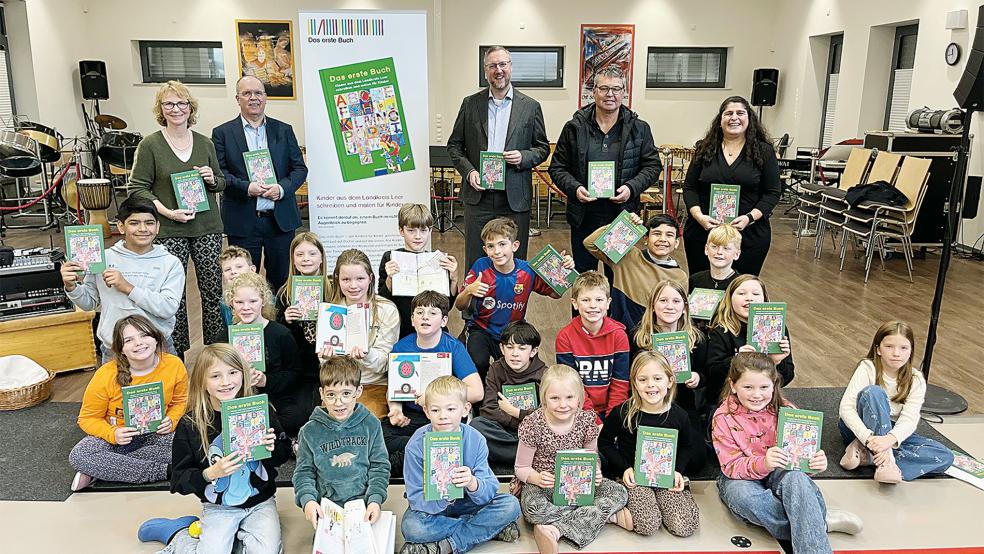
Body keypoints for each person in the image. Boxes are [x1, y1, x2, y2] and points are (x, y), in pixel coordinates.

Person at [136, 343, 291, 553]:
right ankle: (180, 534)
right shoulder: (191, 424)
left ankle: (233, 540)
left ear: (243, 374)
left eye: (233, 372)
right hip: (219, 507)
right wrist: (210, 473)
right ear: (202, 382)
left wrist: (272, 448)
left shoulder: (260, 412)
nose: (226, 382)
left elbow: (283, 454)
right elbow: (178, 479)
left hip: (260, 503)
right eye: (215, 376)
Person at [712, 352, 862, 553]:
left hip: (782, 471)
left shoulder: (788, 410)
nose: (757, 394)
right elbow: (731, 466)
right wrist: (763, 463)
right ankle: (816, 520)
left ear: (774, 384)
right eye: (748, 387)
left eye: (764, 387)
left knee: (797, 480)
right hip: (739, 476)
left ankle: (811, 529)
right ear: (733, 385)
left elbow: (800, 464)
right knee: (742, 497)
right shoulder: (723, 417)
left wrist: (814, 462)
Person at [129, 80, 227, 356]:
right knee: (175, 296)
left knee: (212, 291)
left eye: (181, 103)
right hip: (170, 228)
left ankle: (216, 351)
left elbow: (220, 183)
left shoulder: (205, 143)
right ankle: (177, 354)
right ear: (161, 109)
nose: (176, 109)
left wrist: (210, 178)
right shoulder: (150, 145)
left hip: (206, 227)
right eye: (169, 104)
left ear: (190, 107)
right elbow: (137, 187)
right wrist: (166, 211)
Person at [549, 66, 662, 279]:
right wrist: (576, 188)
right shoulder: (574, 127)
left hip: (622, 216)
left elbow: (652, 166)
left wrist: (631, 188)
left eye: (616, 89)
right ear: (594, 91)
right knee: (584, 277)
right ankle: (583, 314)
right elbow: (557, 167)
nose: (610, 94)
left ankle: (615, 315)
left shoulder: (640, 128)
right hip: (583, 216)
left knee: (619, 278)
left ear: (624, 93)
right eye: (604, 88)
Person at [446, 45, 550, 268]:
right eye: (492, 65)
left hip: (514, 198)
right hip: (479, 196)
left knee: (515, 262)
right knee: (477, 260)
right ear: (485, 71)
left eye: (503, 64)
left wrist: (523, 156)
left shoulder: (530, 107)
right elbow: (454, 146)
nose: (498, 70)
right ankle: (477, 304)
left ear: (511, 67)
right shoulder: (470, 104)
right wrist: (469, 172)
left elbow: (542, 148)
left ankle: (513, 303)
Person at [400, 376, 522, 554]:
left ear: (465, 409)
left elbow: (489, 488)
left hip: (468, 502)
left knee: (511, 505)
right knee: (412, 527)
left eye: (451, 409)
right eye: (435, 410)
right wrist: (442, 496)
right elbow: (415, 496)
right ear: (426, 411)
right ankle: (485, 528)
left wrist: (473, 483)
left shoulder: (476, 439)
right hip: (433, 508)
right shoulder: (416, 444)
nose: (443, 416)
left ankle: (449, 544)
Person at [515, 365, 630, 553]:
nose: (563, 404)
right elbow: (521, 467)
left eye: (569, 397)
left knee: (619, 492)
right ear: (544, 398)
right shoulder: (533, 424)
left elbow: (592, 456)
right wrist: (537, 478)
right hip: (544, 486)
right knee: (533, 508)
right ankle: (605, 515)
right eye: (554, 398)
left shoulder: (586, 421)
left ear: (579, 399)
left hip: (579, 484)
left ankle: (554, 529)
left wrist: (596, 472)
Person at [212, 76, 308, 294]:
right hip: (243, 220)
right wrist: (247, 187)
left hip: (279, 220)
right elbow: (221, 173)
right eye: (246, 93)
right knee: (243, 282)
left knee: (281, 280)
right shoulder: (223, 133)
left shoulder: (283, 130)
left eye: (258, 93)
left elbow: (299, 169)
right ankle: (248, 327)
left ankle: (278, 327)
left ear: (265, 98)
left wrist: (281, 188)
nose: (253, 98)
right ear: (237, 99)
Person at [70, 315, 188, 491]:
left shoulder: (173, 365)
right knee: (80, 455)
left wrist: (172, 419)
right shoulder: (106, 375)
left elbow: (180, 401)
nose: (139, 343)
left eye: (144, 335)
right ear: (121, 349)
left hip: (158, 434)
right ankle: (164, 471)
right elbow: (87, 418)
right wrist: (113, 433)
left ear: (156, 339)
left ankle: (104, 467)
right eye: (129, 340)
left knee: (189, 446)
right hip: (117, 437)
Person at [61, 197, 185, 364]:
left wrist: (127, 287)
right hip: (114, 350)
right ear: (121, 226)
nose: (143, 229)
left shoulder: (170, 263)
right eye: (134, 223)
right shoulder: (103, 257)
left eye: (149, 223)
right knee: (114, 391)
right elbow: (89, 302)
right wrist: (71, 286)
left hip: (158, 347)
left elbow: (167, 307)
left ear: (157, 227)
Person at [456, 218, 572, 386]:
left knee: (519, 368)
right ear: (485, 249)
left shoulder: (527, 271)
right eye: (491, 246)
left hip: (512, 331)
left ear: (515, 246)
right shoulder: (481, 266)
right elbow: (460, 305)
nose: (497, 251)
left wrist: (563, 270)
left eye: (502, 244)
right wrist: (468, 291)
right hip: (481, 328)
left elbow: (555, 295)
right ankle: (478, 401)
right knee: (477, 361)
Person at [599, 351, 701, 537]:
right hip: (635, 478)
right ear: (635, 383)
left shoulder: (679, 416)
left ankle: (677, 495)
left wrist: (677, 470)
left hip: (665, 477)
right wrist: (624, 468)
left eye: (657, 378)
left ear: (670, 381)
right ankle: (621, 505)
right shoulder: (622, 412)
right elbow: (605, 442)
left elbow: (687, 447)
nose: (651, 385)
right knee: (647, 525)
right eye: (643, 379)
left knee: (684, 527)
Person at [838, 321, 954, 483]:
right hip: (859, 429)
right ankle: (886, 462)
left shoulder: (916, 379)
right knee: (874, 393)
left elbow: (909, 419)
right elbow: (846, 409)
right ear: (878, 349)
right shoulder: (867, 367)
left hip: (890, 432)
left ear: (911, 350)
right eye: (889, 347)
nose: (896, 353)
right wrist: (868, 438)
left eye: (903, 348)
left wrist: (889, 440)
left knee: (945, 456)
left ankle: (868, 457)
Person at [383, 291, 483, 475]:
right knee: (381, 437)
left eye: (433, 313)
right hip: (411, 418)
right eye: (419, 313)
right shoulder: (401, 347)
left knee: (447, 438)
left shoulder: (453, 347)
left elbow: (477, 392)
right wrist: (396, 409)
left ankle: (411, 457)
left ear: (444, 321)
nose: (425, 317)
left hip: (443, 417)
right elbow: (394, 388)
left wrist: (433, 398)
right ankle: (424, 451)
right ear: (412, 319)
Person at [682, 96, 781, 276]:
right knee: (702, 287)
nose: (734, 117)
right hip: (703, 233)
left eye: (740, 113)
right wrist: (699, 217)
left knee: (742, 289)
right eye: (728, 113)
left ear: (749, 119)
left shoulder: (764, 151)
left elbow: (772, 193)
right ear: (720, 121)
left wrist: (749, 218)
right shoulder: (704, 148)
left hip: (749, 235)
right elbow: (689, 188)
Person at [293, 355, 390, 531]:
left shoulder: (371, 424)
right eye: (331, 395)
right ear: (322, 394)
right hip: (327, 508)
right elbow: (304, 473)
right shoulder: (308, 432)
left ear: (358, 391)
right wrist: (308, 500)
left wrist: (375, 500)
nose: (338, 402)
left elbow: (379, 466)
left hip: (363, 506)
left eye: (346, 393)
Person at [629, 280, 708, 472]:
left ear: (684, 307)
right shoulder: (638, 338)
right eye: (663, 300)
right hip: (647, 406)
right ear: (653, 306)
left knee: (696, 460)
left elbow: (707, 374)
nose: (669, 306)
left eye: (676, 301)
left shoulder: (696, 339)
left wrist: (698, 378)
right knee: (641, 459)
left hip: (683, 404)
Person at [216, 272, 306, 438]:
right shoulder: (224, 337)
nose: (246, 307)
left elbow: (295, 373)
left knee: (296, 417)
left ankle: (263, 432)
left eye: (253, 301)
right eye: (239, 302)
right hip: (237, 396)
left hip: (276, 396)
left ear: (263, 301)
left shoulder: (281, 333)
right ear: (231, 303)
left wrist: (266, 380)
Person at [315, 249, 400, 418]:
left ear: (370, 278)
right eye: (346, 279)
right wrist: (326, 358)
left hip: (373, 384)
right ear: (337, 280)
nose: (353, 286)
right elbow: (323, 363)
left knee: (361, 422)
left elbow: (385, 364)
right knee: (328, 423)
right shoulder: (330, 311)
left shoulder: (386, 310)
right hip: (338, 385)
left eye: (360, 278)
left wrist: (366, 354)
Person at [584, 213, 687, 333]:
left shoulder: (680, 276)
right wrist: (624, 223)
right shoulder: (627, 256)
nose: (663, 239)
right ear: (646, 239)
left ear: (676, 243)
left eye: (669, 235)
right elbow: (591, 243)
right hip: (622, 332)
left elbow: (679, 314)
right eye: (657, 234)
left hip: (656, 337)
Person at [705, 275, 794, 414]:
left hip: (763, 401)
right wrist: (737, 360)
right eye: (741, 293)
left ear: (764, 299)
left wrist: (775, 362)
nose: (749, 298)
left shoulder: (777, 328)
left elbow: (786, 378)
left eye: (756, 293)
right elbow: (712, 375)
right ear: (729, 298)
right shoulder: (721, 330)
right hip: (726, 401)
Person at [555, 271, 630, 421]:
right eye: (586, 300)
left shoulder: (619, 335)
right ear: (575, 303)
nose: (593, 306)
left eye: (599, 299)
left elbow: (620, 384)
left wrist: (611, 422)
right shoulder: (564, 337)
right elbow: (572, 386)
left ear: (608, 303)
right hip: (578, 408)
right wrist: (594, 421)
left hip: (613, 410)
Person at [378, 203, 459, 338]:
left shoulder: (438, 261)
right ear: (401, 231)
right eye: (411, 230)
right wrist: (390, 279)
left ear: (430, 230)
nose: (418, 236)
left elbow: (446, 307)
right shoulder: (390, 257)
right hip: (400, 328)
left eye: (423, 230)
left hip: (432, 330)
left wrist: (454, 279)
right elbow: (382, 302)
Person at [276, 232, 331, 413]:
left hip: (331, 363)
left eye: (312, 254)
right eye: (300, 254)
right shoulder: (284, 294)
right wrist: (287, 322)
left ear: (321, 257)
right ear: (292, 259)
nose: (306, 259)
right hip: (300, 368)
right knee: (299, 413)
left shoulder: (334, 288)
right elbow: (279, 342)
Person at [688, 223, 742, 293]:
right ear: (706, 249)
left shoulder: (742, 283)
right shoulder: (694, 280)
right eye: (714, 247)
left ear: (737, 254)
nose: (719, 252)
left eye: (726, 248)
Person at [218, 245, 257, 327]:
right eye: (227, 269)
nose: (233, 272)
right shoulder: (224, 301)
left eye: (239, 267)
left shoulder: (264, 296)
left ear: (252, 270)